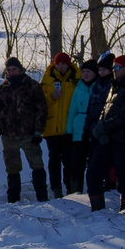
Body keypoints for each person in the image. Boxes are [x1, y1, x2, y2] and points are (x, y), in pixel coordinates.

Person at [88, 55, 125, 213]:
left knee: (124, 176)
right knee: (93, 173)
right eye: (113, 68)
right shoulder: (114, 86)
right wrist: (100, 126)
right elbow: (106, 111)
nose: (114, 70)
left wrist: (104, 127)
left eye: (117, 67)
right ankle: (97, 212)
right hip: (108, 139)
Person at [0, 56, 48, 203]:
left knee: (37, 165)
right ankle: (13, 200)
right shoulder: (1, 89)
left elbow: (41, 110)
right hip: (8, 136)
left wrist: (38, 131)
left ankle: (43, 198)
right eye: (9, 70)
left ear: (20, 69)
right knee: (12, 169)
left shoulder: (32, 86)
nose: (11, 72)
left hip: (29, 135)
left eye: (14, 69)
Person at [40, 52, 80, 198]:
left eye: (64, 64)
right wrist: (51, 97)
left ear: (68, 64)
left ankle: (70, 188)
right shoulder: (47, 78)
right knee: (54, 160)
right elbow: (39, 101)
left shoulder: (76, 77)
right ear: (55, 64)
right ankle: (56, 189)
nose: (61, 67)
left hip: (69, 128)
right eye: (58, 64)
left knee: (69, 160)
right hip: (52, 128)